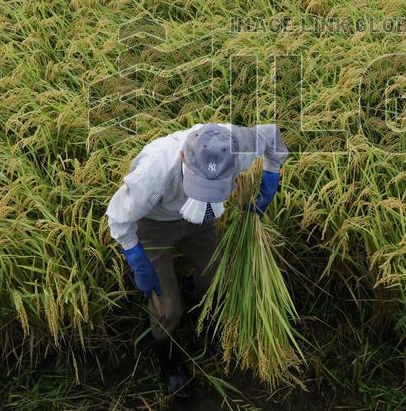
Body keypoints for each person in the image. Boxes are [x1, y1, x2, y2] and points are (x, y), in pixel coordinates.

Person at [105, 122, 288, 398]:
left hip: (204, 217)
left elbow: (273, 137)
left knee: (216, 277)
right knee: (166, 307)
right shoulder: (154, 172)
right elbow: (119, 217)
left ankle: (195, 296)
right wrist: (136, 258)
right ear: (182, 158)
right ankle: (169, 362)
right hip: (154, 223)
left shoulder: (237, 145)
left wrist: (271, 180)